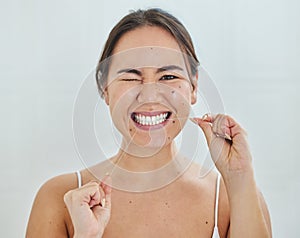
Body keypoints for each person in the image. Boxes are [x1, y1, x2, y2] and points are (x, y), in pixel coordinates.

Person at [26, 8, 272, 238]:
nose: (150, 95)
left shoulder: (234, 199)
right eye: (131, 77)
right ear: (105, 89)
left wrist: (239, 177)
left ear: (194, 87)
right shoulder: (58, 199)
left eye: (168, 76)